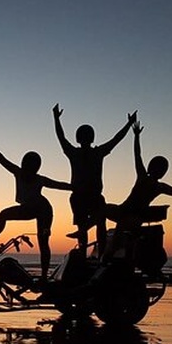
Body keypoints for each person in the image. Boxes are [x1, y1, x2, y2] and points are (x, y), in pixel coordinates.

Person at [102, 120, 172, 259]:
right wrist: (136, 136)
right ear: (152, 168)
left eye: (162, 169)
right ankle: (88, 233)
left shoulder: (159, 187)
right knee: (101, 208)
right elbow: (137, 155)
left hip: (135, 217)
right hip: (122, 210)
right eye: (159, 168)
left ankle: (109, 255)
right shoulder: (142, 177)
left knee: (121, 229)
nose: (160, 171)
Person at [0, 132, 72, 282]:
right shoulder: (18, 173)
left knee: (43, 241)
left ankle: (44, 276)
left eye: (31, 166)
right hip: (28, 209)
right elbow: (1, 159)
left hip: (44, 211)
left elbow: (59, 185)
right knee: (3, 214)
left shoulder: (39, 179)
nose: (27, 168)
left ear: (36, 168)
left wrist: (76, 187)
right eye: (26, 164)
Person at [52, 103, 137, 255]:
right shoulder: (87, 153)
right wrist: (56, 119)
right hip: (81, 197)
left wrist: (56, 119)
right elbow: (116, 139)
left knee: (92, 226)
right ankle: (94, 256)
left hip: (91, 197)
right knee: (93, 226)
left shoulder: (89, 153)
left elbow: (61, 137)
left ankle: (97, 256)